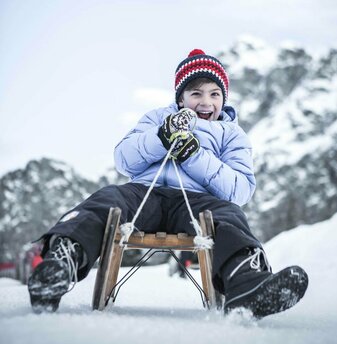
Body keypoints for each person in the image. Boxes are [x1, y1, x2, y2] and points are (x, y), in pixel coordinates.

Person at [28, 49, 308, 317]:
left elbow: (239, 189)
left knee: (229, 215)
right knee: (108, 198)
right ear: (181, 98)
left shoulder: (231, 135)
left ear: (224, 98)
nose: (205, 102)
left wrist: (194, 156)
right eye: (195, 93)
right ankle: (61, 262)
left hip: (197, 201)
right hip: (144, 194)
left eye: (214, 94)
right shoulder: (158, 118)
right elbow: (124, 159)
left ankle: (246, 281)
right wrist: (161, 138)